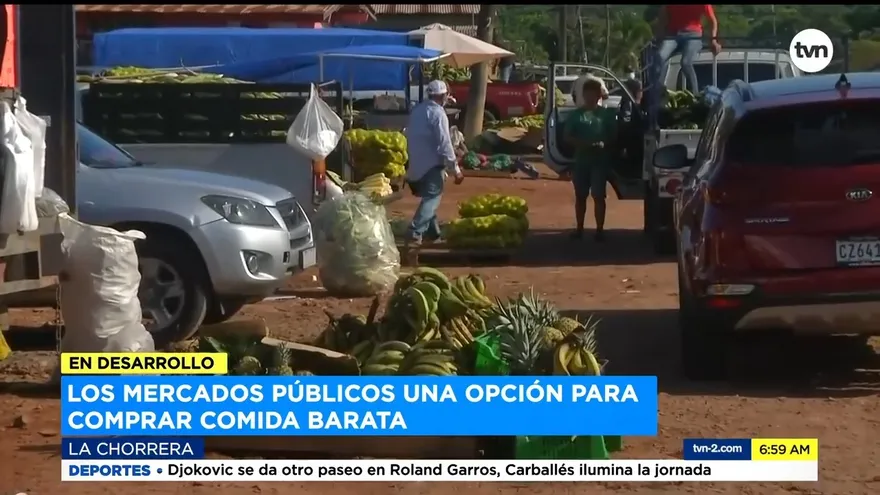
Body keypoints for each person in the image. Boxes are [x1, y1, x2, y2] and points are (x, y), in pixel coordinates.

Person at [403, 80, 464, 246]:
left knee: (429, 198)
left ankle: (433, 234)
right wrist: (455, 169)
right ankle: (415, 232)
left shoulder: (417, 111)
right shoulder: (438, 114)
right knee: (432, 199)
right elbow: (445, 143)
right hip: (431, 165)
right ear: (443, 96)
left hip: (415, 165)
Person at [565, 78, 617, 241]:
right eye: (586, 94)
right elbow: (567, 136)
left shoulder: (607, 114)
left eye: (593, 94)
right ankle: (579, 228)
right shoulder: (576, 115)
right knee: (580, 196)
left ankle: (599, 230)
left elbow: (614, 136)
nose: (589, 97)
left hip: (599, 161)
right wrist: (582, 144)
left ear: (598, 95)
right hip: (581, 160)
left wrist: (604, 143)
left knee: (598, 196)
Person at [654, 5, 721, 93]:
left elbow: (713, 21)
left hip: (693, 34)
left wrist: (713, 40)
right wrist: (660, 35)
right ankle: (657, 92)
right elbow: (663, 14)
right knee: (660, 57)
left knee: (686, 62)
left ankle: (694, 94)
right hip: (673, 34)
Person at [616, 78, 646, 179]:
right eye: (640, 90)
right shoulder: (629, 102)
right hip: (632, 135)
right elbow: (626, 119)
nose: (642, 92)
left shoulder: (635, 102)